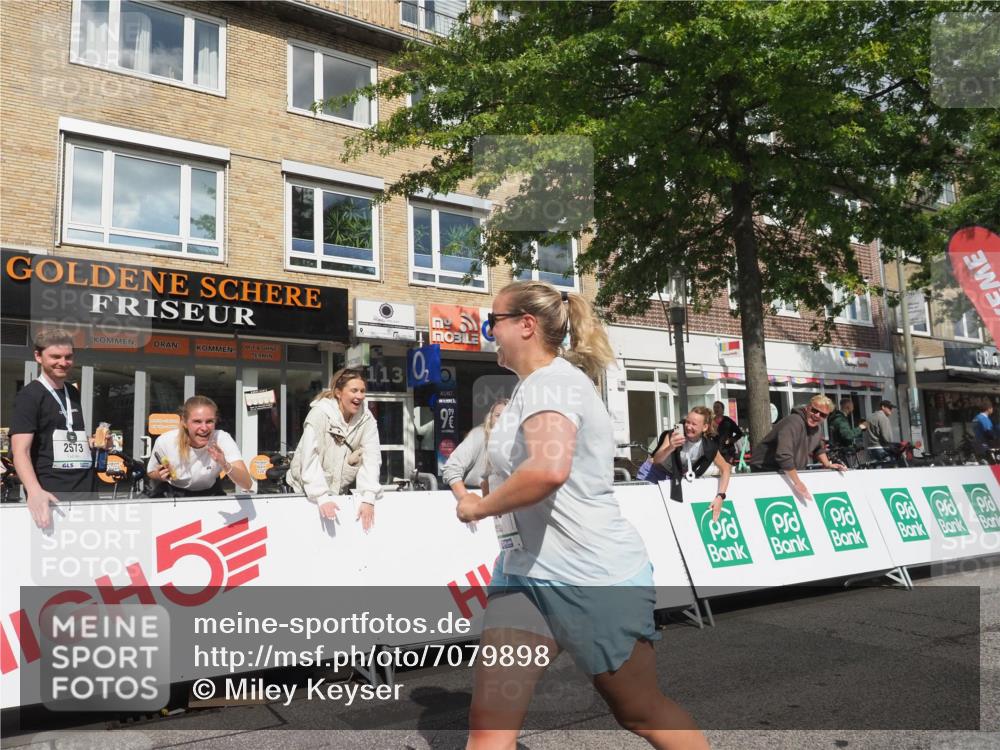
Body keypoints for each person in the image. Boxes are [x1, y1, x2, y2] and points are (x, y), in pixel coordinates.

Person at [454, 281, 708, 750]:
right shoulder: (524, 393)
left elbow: (548, 470)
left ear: (526, 325)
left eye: (495, 321)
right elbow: (520, 473)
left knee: (640, 712)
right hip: (524, 576)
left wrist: (478, 506)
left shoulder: (555, 383)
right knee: (489, 727)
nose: (490, 332)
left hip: (592, 575)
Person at [10, 329, 99, 528]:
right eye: (55, 357)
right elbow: (20, 451)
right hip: (52, 494)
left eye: (68, 357)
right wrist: (34, 491)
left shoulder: (72, 392)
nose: (63, 362)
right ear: (38, 356)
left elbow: (66, 435)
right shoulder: (29, 396)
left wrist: (92, 443)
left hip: (87, 491)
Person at [288, 368, 382, 532]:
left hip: (336, 494)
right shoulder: (319, 415)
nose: (359, 396)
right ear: (339, 393)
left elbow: (372, 458)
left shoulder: (367, 419)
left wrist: (368, 498)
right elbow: (309, 457)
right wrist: (321, 496)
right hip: (303, 492)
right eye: (354, 390)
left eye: (362, 391)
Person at [749, 394, 847, 504]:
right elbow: (783, 455)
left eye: (823, 415)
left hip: (786, 471)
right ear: (807, 407)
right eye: (814, 411)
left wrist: (827, 464)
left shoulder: (817, 428)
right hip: (766, 470)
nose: (817, 416)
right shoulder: (793, 422)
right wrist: (797, 482)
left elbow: (818, 448)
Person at [147, 396, 252, 497]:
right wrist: (160, 475)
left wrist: (224, 463)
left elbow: (247, 484)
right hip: (174, 494)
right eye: (197, 421)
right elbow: (151, 472)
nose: (204, 428)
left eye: (209, 421)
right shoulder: (165, 441)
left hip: (211, 493)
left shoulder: (222, 438)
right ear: (184, 422)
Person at [650, 406, 731, 519]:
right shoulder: (675, 434)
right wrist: (670, 447)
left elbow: (725, 469)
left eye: (694, 424)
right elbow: (656, 460)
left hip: (673, 480)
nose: (688, 427)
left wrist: (720, 496)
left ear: (704, 427)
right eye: (687, 422)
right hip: (653, 474)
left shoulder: (708, 446)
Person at [443, 399, 508, 500]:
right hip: (473, 496)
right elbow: (451, 468)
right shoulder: (479, 435)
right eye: (498, 415)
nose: (502, 420)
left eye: (508, 416)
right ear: (490, 418)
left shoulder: (520, 443)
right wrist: (466, 498)